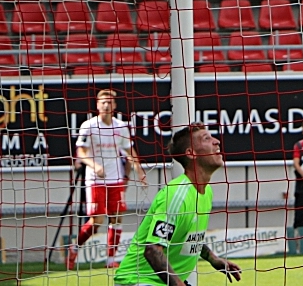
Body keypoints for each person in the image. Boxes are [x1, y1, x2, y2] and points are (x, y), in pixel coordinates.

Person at [113, 124, 240, 286]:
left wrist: (213, 259)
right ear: (191, 153)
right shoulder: (176, 195)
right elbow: (152, 250)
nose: (216, 142)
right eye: (206, 138)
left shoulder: (206, 192)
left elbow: (189, 237)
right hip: (137, 281)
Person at [66, 89, 145, 270]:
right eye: (103, 102)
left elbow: (128, 150)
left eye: (110, 102)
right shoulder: (89, 126)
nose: (107, 105)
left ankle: (111, 260)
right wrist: (94, 166)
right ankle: (75, 247)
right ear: (97, 105)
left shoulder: (121, 127)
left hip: (115, 178)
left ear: (115, 106)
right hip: (95, 179)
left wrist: (138, 170)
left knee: (117, 218)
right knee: (98, 221)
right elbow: (81, 152)